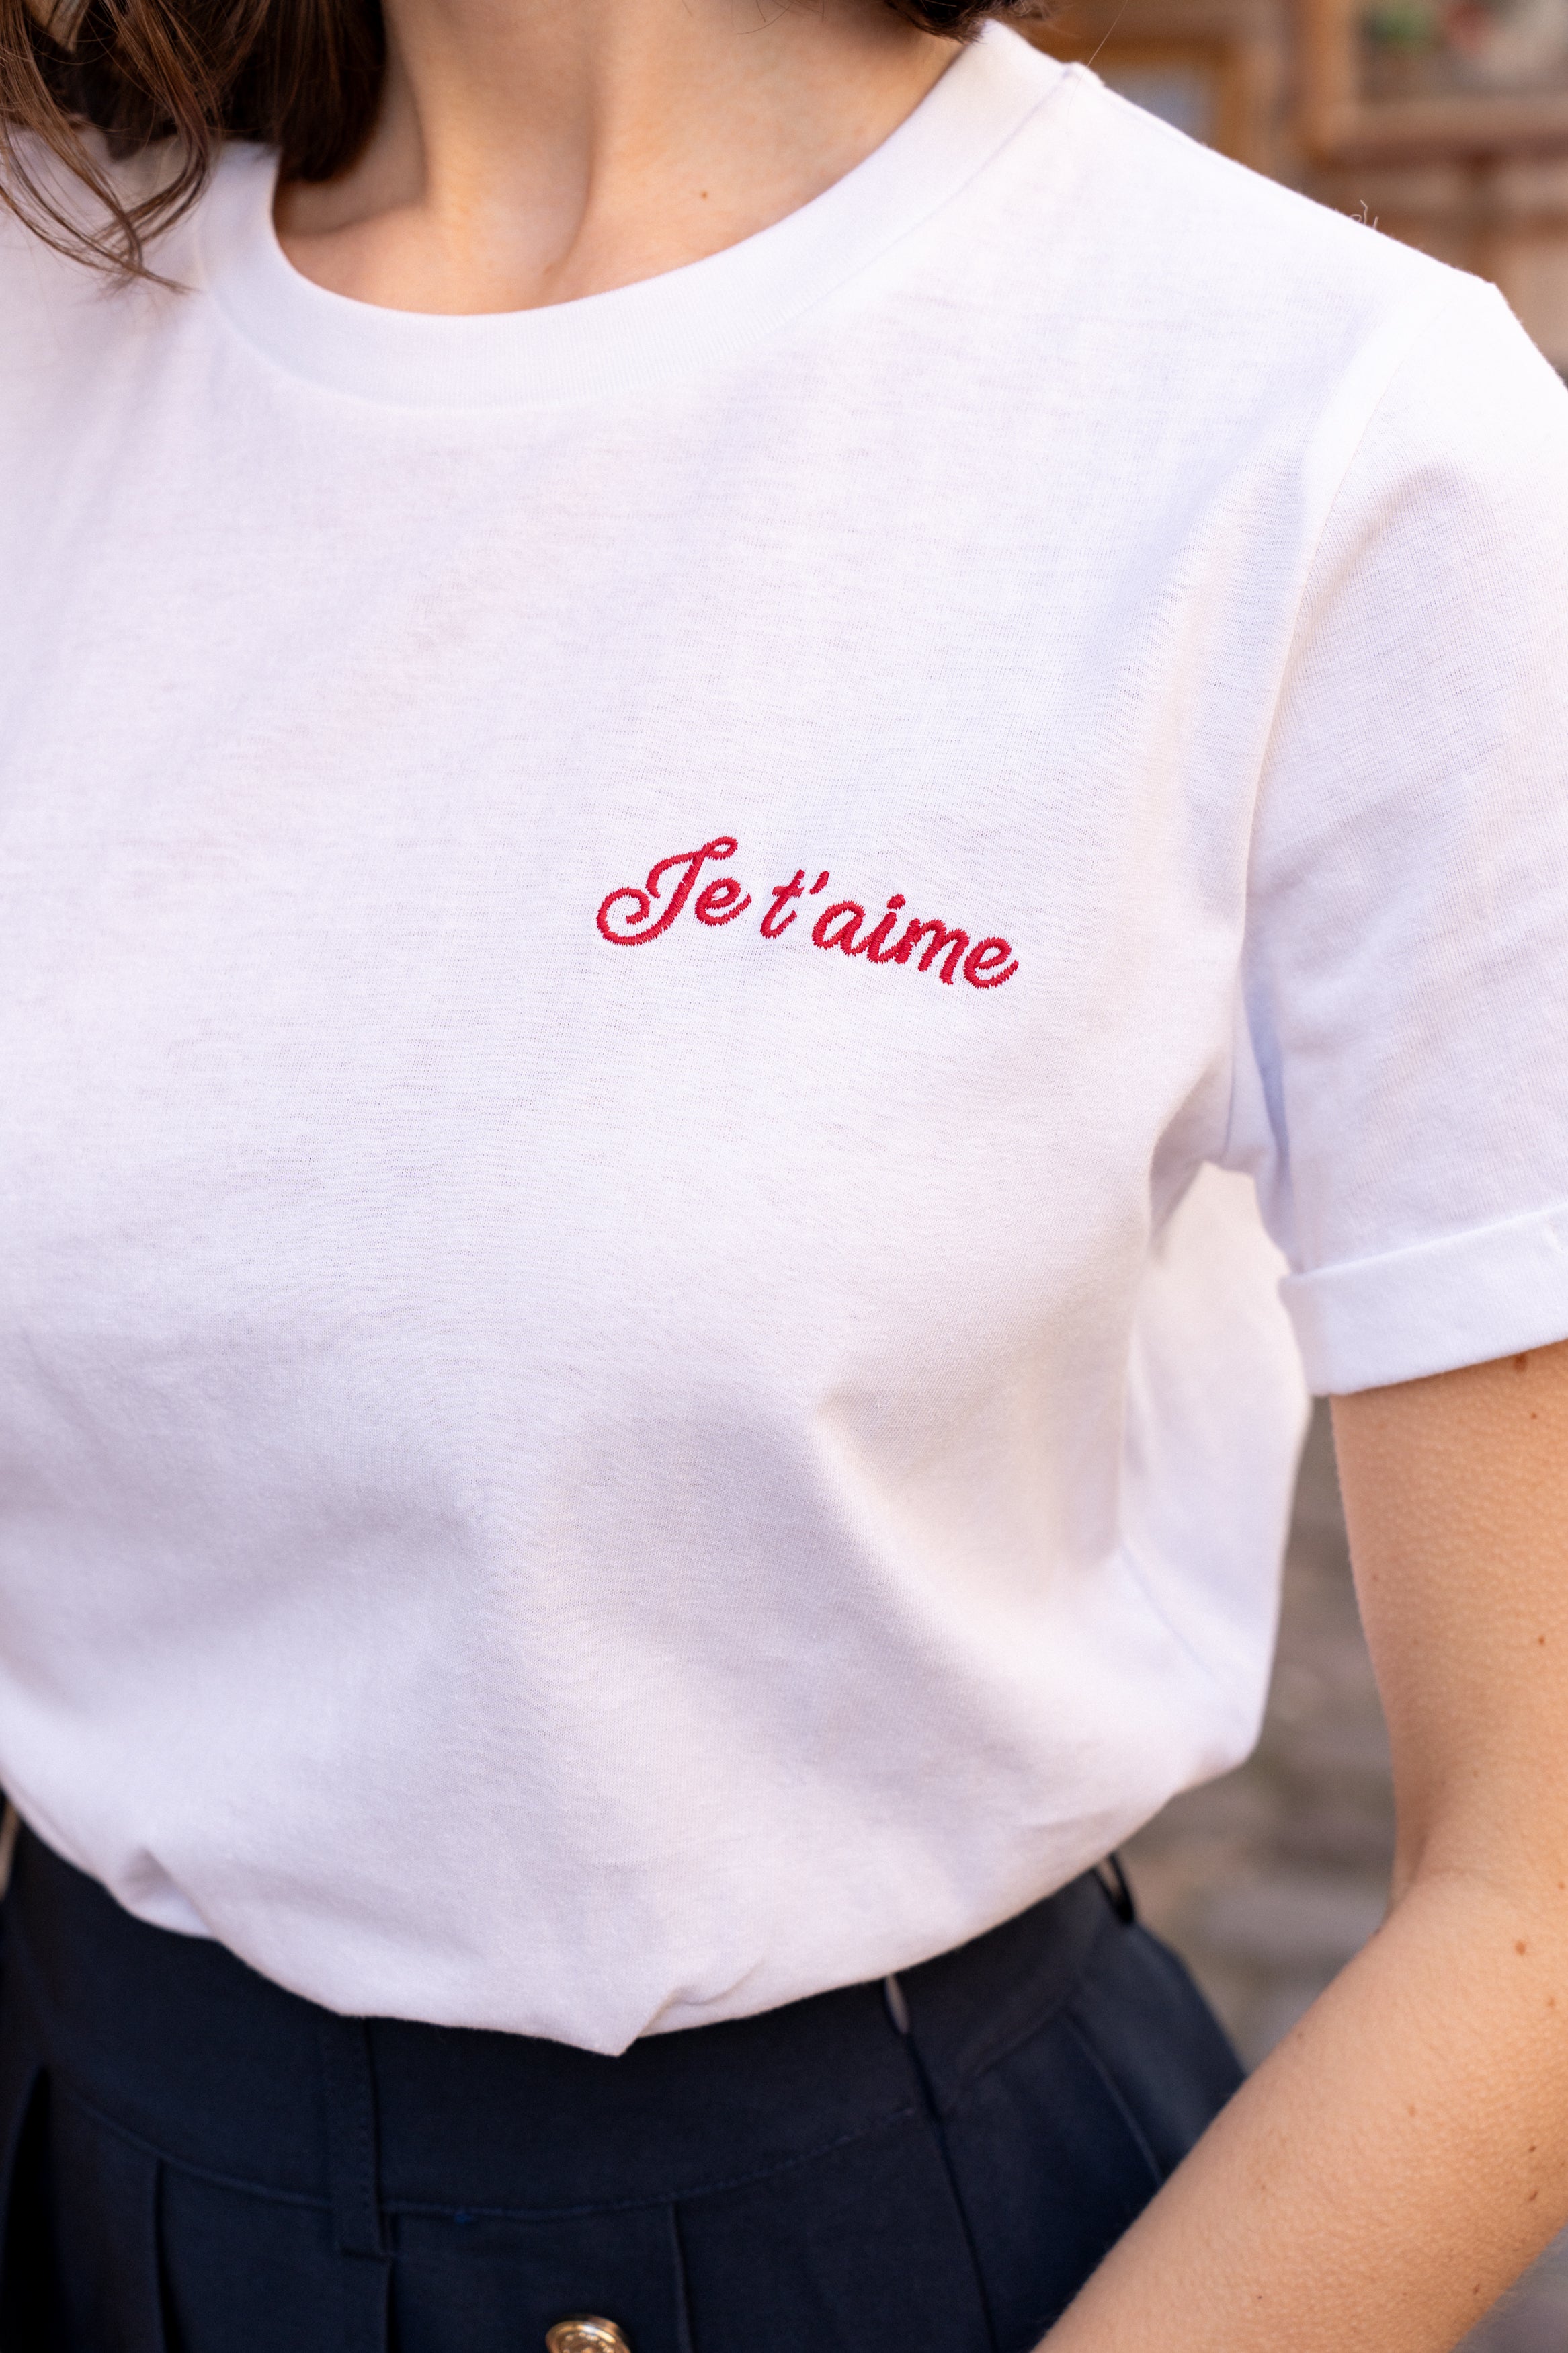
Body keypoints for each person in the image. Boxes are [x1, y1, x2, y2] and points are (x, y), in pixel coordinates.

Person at [3, 0, 1568, 2339]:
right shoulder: (46, 325)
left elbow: (1541, 1886)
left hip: (886, 2254)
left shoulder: (1324, 423)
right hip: (72, 2164)